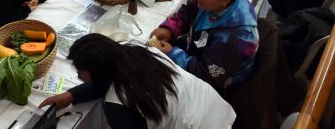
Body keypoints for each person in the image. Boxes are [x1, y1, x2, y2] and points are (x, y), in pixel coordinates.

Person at [39, 34, 237, 128]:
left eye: (81, 72)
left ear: (98, 70)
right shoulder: (131, 48)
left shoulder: (117, 105)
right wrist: (71, 95)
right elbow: (105, 80)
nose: (78, 76)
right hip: (215, 108)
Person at [150, 0, 259, 91]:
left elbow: (207, 77)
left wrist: (173, 54)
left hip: (216, 87)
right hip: (197, 50)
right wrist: (170, 28)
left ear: (225, 0)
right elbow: (189, 10)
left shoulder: (237, 38)